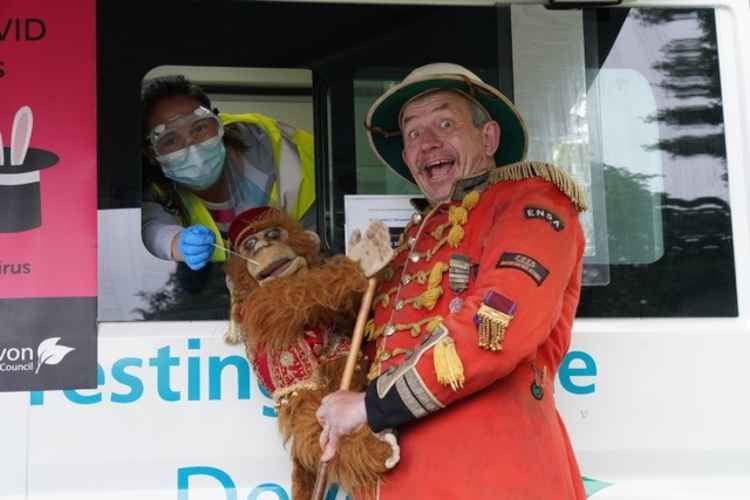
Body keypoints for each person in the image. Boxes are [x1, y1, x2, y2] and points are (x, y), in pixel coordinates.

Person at [315, 63, 588, 499]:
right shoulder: (409, 242)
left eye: (445, 122)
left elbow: (499, 323)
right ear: (406, 159)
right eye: (413, 134)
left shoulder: (532, 199)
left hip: (493, 477)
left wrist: (370, 406)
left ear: (489, 138)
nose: (429, 144)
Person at [141, 75, 316, 271]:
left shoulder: (281, 149)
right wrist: (176, 242)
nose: (193, 146)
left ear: (218, 122)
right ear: (150, 153)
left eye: (199, 128)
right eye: (170, 140)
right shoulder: (151, 192)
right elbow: (151, 226)